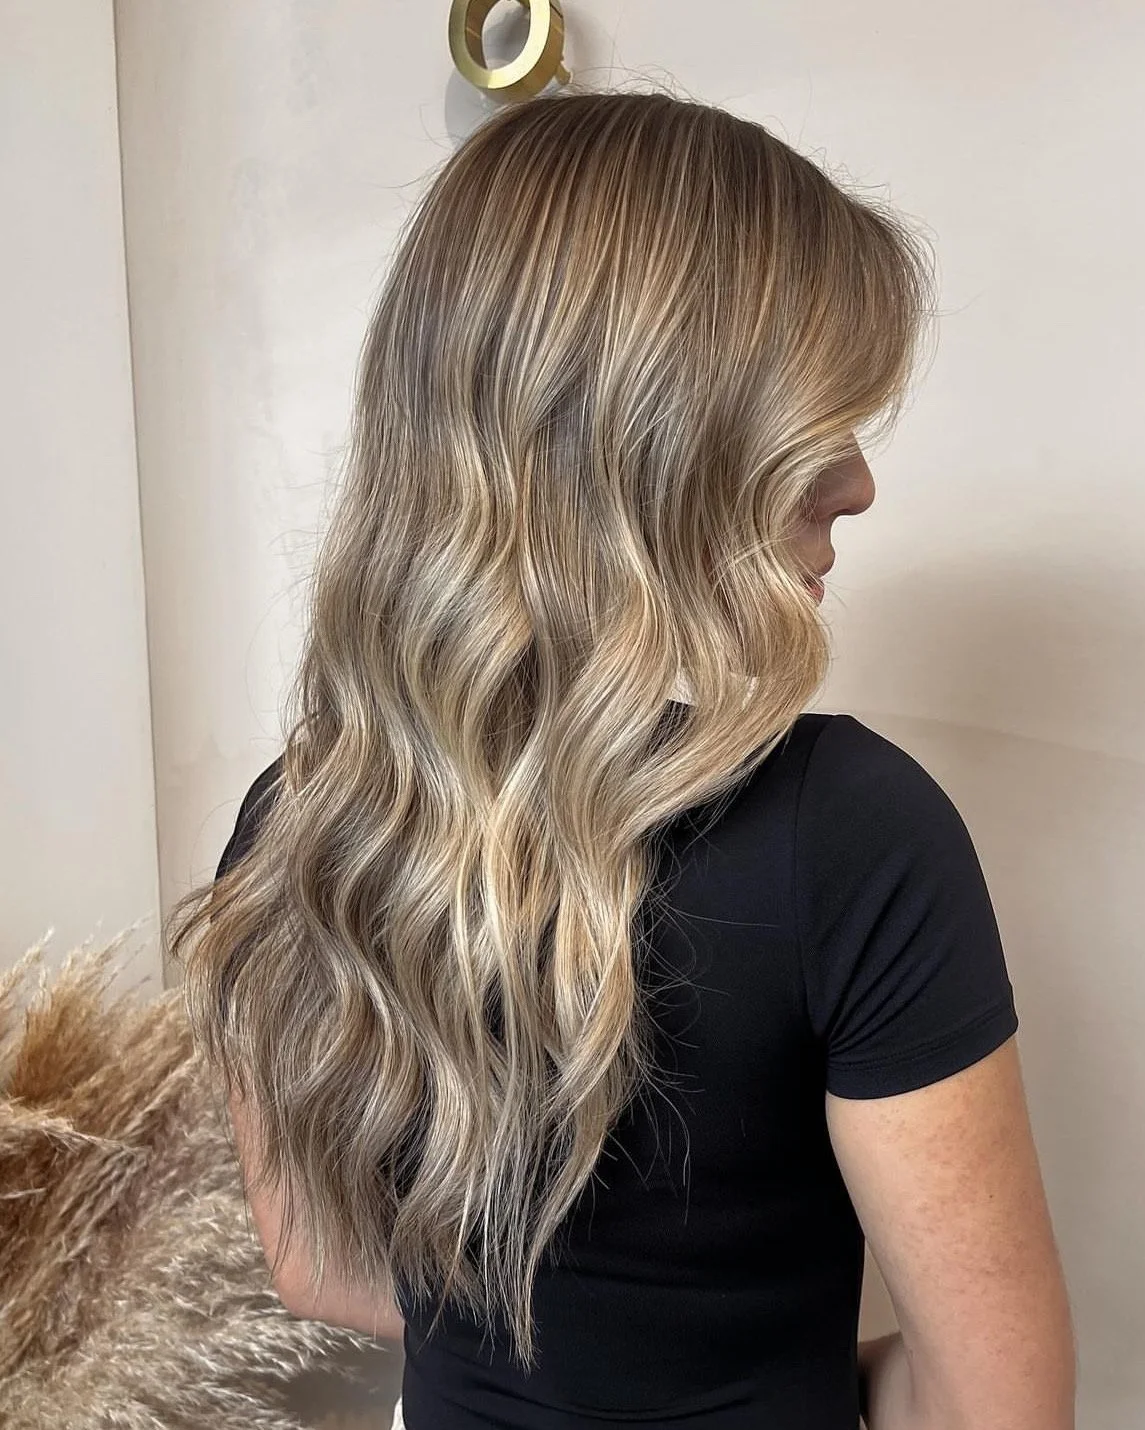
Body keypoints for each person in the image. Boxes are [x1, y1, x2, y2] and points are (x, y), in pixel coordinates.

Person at [166, 87, 1077, 1429]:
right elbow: (997, 1409)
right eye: (806, 425)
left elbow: (317, 1265)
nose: (857, 487)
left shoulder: (305, 819)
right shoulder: (850, 833)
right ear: (635, 449)